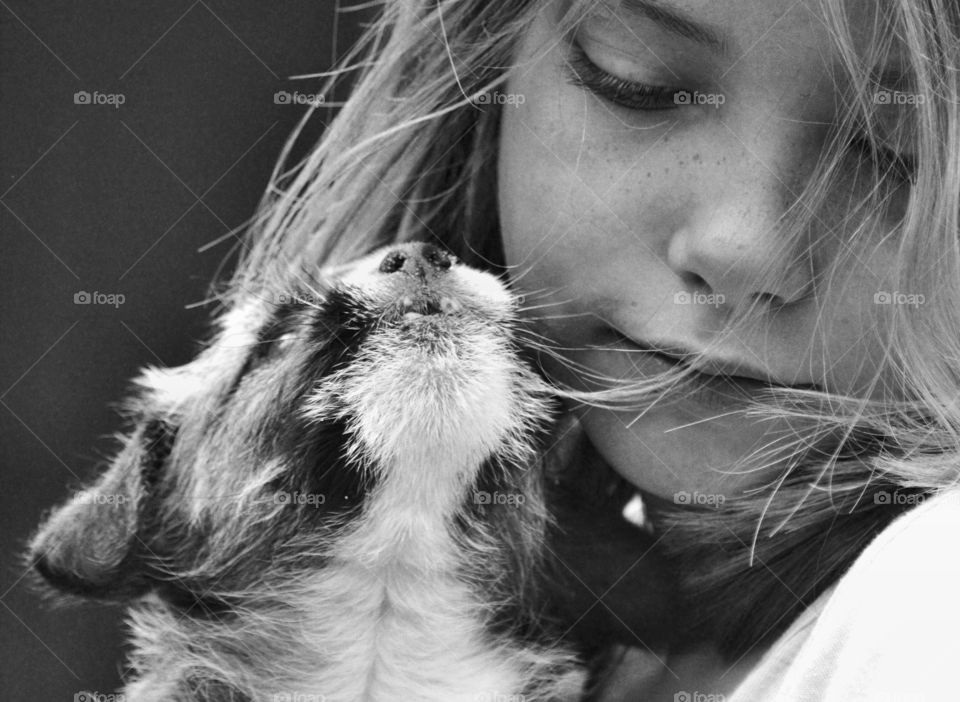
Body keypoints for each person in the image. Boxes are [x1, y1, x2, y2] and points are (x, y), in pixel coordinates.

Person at [227, 0, 960, 699]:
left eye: (904, 151)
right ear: (488, 68)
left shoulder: (930, 597)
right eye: (637, 80)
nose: (741, 247)